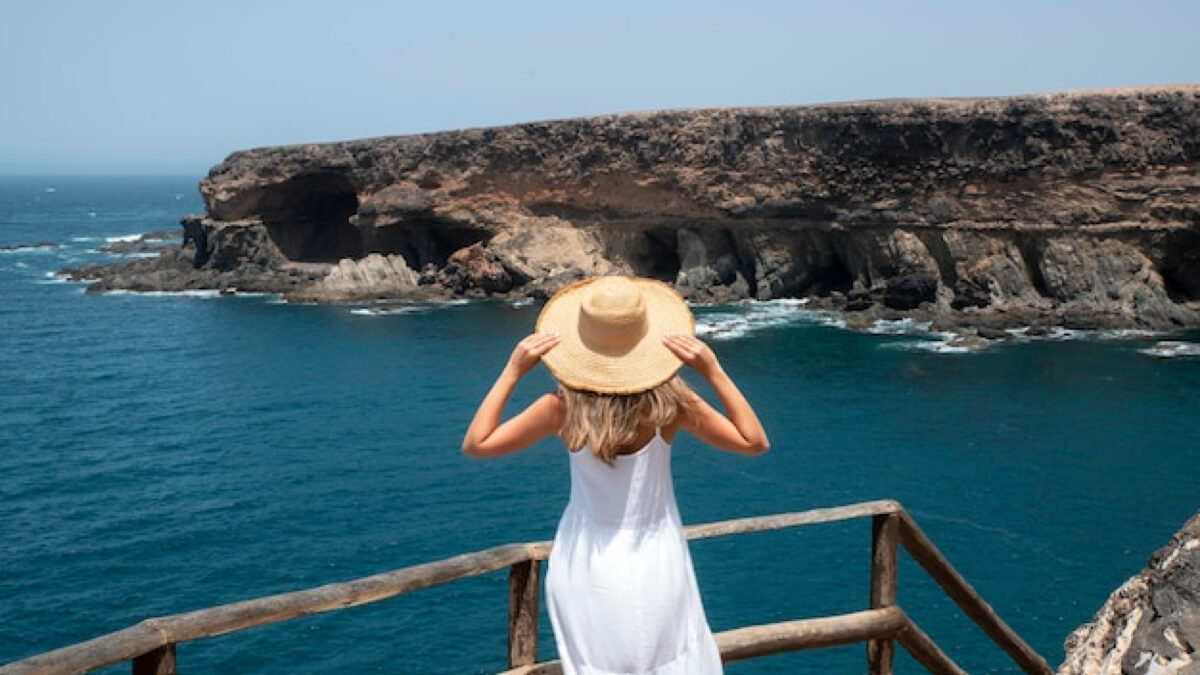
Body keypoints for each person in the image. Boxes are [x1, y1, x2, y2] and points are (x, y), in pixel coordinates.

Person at [462, 275, 769, 675]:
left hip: (587, 562)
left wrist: (512, 371)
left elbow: (476, 444)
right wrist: (713, 370)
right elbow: (754, 442)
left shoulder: (561, 409)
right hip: (656, 559)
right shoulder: (670, 406)